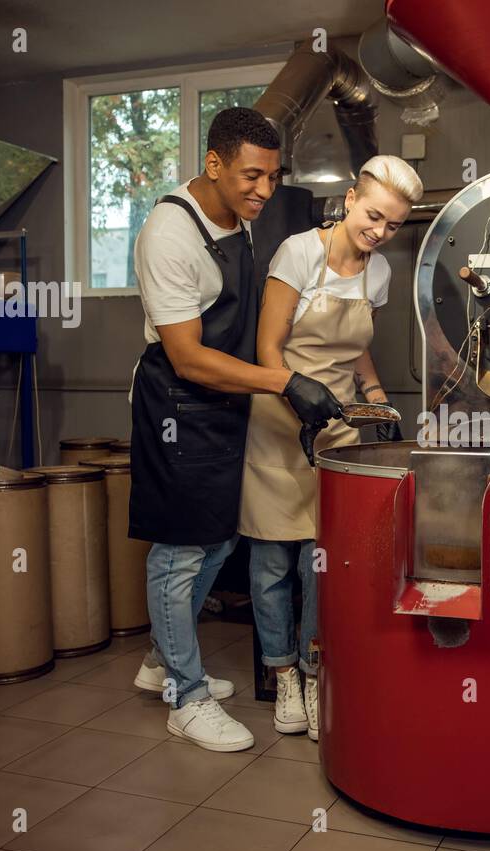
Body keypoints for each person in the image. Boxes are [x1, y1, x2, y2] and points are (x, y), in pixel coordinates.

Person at [127, 107, 341, 752]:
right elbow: (189, 357)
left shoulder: (236, 220)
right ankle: (184, 697)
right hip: (176, 408)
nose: (264, 190)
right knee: (180, 553)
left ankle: (163, 662)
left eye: (274, 177)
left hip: (223, 404)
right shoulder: (170, 235)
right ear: (213, 164)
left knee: (220, 545)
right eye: (252, 175)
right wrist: (284, 383)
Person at [241, 155, 422, 742]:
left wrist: (377, 398)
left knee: (320, 562)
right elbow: (269, 349)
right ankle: (282, 675)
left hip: (338, 429)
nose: (379, 232)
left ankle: (315, 669)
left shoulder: (380, 273)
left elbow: (357, 346)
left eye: (393, 225)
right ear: (349, 199)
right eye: (373, 215)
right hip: (278, 421)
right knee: (273, 561)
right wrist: (296, 398)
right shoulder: (299, 253)